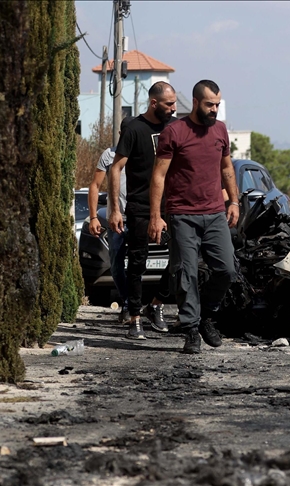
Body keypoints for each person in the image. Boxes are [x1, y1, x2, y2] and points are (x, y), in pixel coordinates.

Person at [149, 79, 239, 354]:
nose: (215, 110)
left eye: (218, 105)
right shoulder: (174, 132)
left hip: (215, 213)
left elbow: (227, 168)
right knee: (185, 273)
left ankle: (206, 315)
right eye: (210, 105)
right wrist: (156, 215)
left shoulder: (220, 130)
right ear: (196, 102)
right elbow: (158, 175)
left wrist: (234, 201)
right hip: (182, 215)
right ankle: (190, 330)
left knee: (227, 269)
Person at [108, 81, 177, 340]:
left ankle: (156, 304)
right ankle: (135, 317)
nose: (173, 108)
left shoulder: (175, 127)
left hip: (171, 206)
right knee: (137, 263)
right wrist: (115, 210)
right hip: (140, 206)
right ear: (154, 103)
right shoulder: (134, 128)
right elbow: (116, 168)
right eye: (169, 104)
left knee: (181, 259)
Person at [88, 116, 135, 323]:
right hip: (116, 220)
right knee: (116, 265)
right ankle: (126, 301)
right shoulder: (109, 155)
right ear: (121, 134)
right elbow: (95, 185)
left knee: (138, 264)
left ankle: (135, 306)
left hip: (139, 217)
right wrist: (93, 217)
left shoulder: (144, 153)